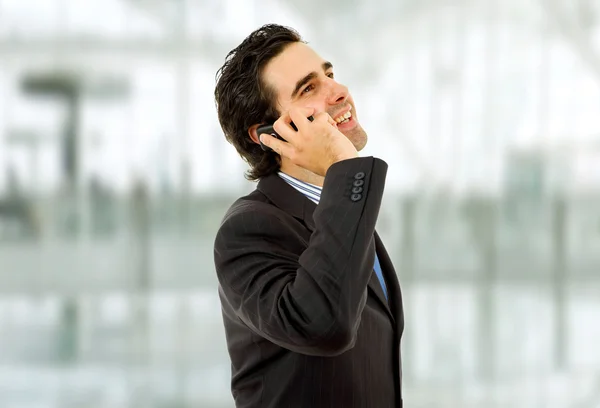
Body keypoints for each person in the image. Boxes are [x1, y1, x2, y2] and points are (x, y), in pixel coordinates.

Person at [213, 23, 404, 408]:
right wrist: (344, 167)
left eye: (329, 75)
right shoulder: (246, 231)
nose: (339, 91)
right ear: (268, 134)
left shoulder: (342, 211)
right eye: (309, 88)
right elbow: (325, 326)